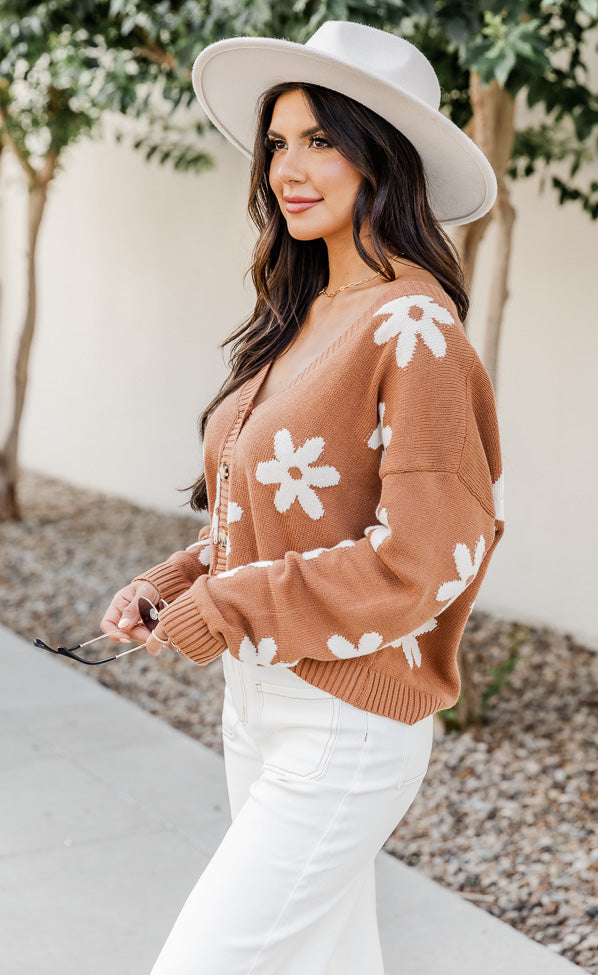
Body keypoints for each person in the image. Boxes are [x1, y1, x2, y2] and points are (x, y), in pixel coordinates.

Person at [101, 20, 504, 975]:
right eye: (279, 141)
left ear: (382, 160)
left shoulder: (416, 330)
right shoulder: (303, 312)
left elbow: (420, 559)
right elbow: (274, 513)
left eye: (322, 139)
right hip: (262, 699)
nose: (290, 164)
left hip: (345, 723)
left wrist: (227, 606)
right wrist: (176, 581)